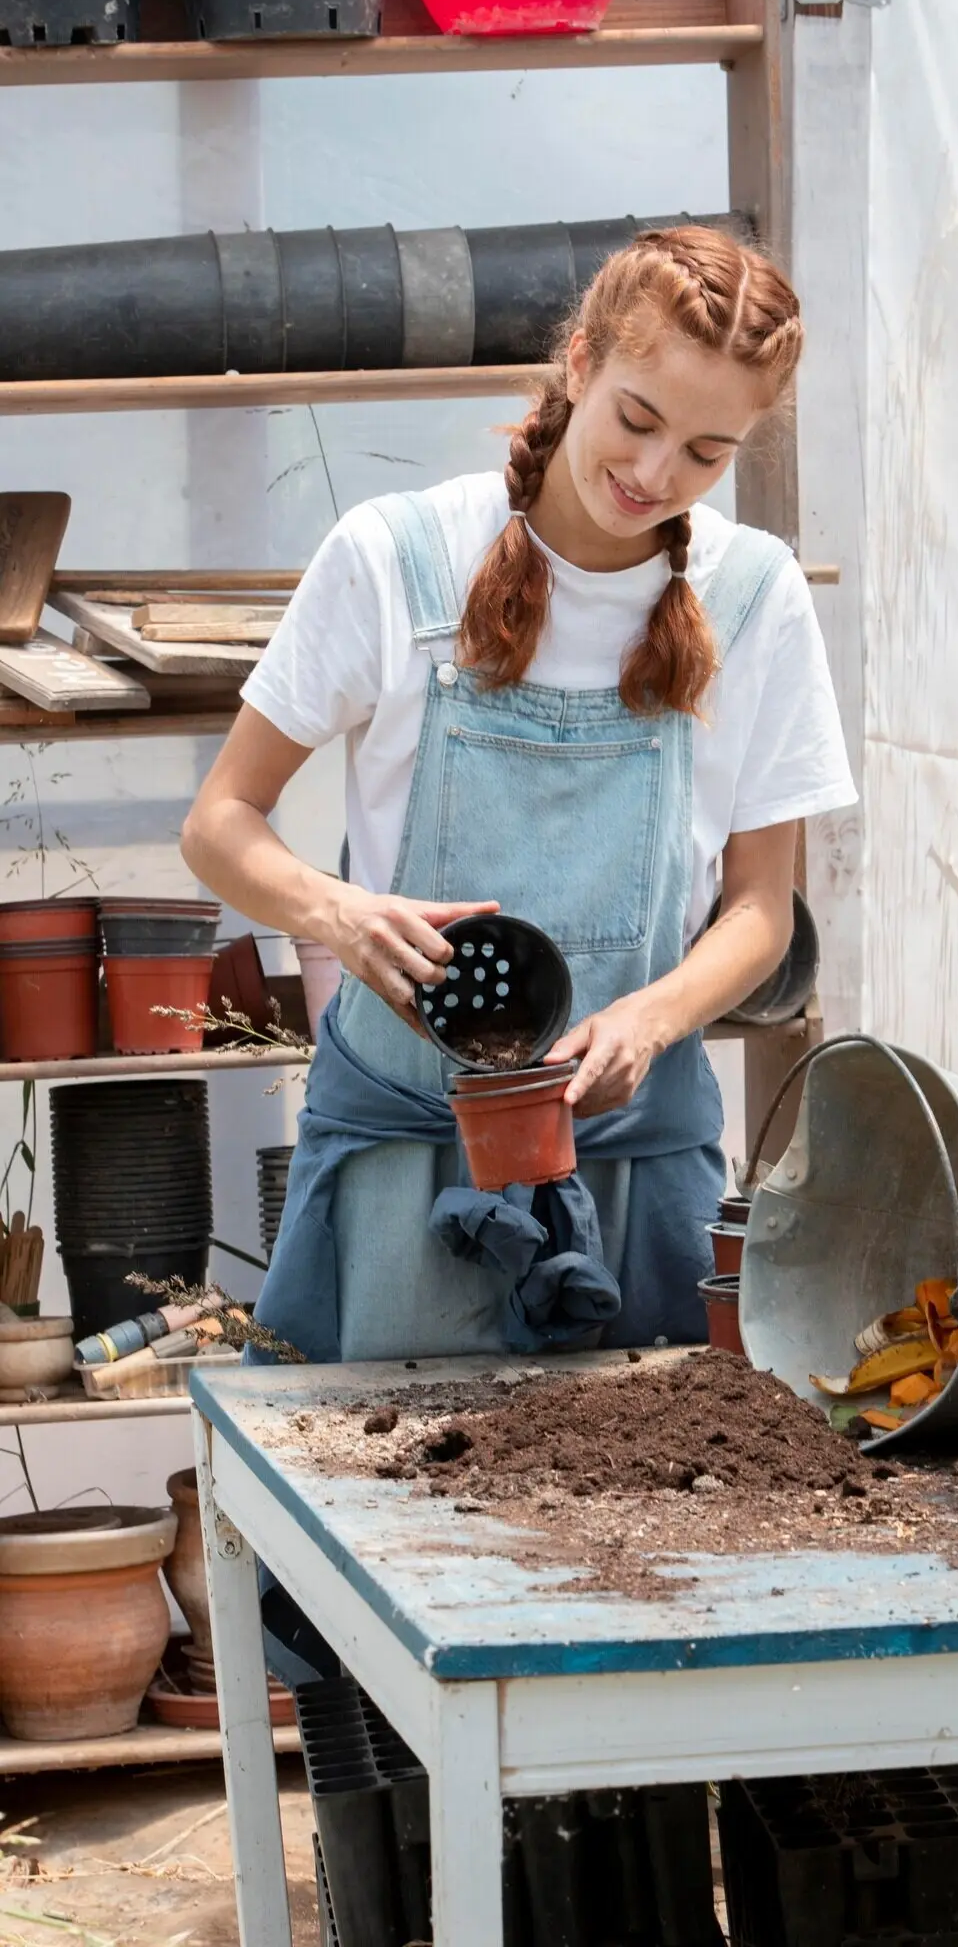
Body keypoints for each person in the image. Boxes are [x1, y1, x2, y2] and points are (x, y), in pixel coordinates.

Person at [183, 225, 856, 1367]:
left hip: (635, 1166)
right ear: (582, 362)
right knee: (380, 1507)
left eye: (705, 452)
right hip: (404, 1163)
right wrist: (341, 913)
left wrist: (650, 1017)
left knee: (652, 1524)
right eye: (637, 420)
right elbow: (218, 825)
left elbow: (762, 912)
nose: (654, 477)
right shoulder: (399, 558)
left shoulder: (754, 598)